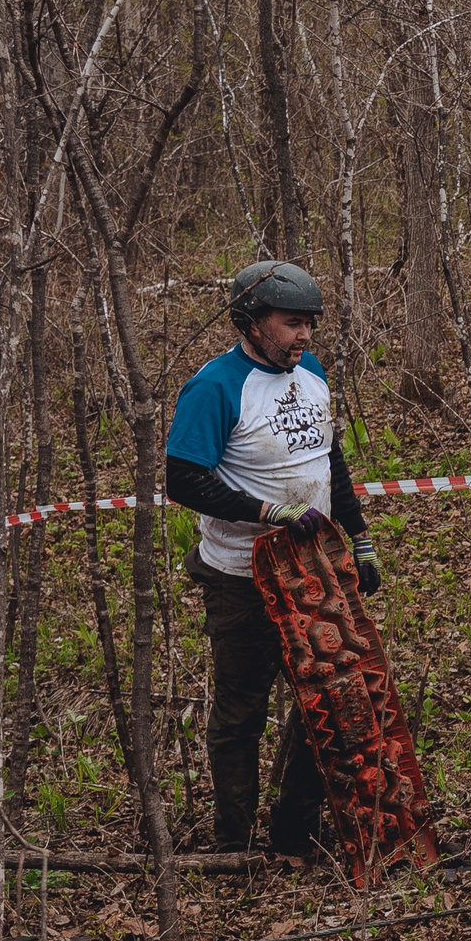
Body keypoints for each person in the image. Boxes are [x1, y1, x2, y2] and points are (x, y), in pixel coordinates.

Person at [164, 261, 382, 857]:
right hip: (241, 577)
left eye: (309, 323)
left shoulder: (310, 372)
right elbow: (182, 479)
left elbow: (329, 462)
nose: (305, 335)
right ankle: (233, 842)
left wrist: (359, 539)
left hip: (315, 569)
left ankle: (295, 832)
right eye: (292, 324)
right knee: (241, 714)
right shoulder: (215, 387)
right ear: (252, 323)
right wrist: (266, 512)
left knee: (332, 698)